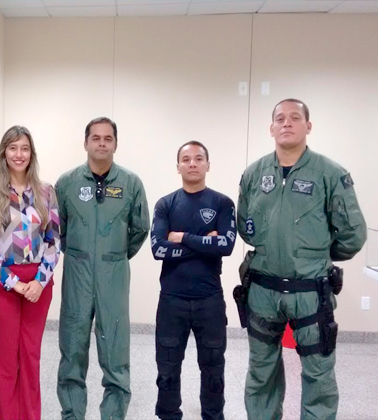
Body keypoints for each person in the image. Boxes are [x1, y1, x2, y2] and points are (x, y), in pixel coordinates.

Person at [236, 99, 367, 420]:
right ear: (271, 128)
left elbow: (353, 235)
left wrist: (313, 254)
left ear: (308, 126)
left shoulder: (330, 174)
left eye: (295, 117)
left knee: (318, 373)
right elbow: (245, 226)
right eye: (280, 118)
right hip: (263, 290)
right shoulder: (254, 174)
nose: (287, 123)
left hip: (310, 292)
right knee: (261, 372)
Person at [55, 117, 150, 420]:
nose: (101, 144)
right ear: (86, 143)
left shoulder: (131, 183)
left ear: (116, 144)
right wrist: (80, 255)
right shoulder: (66, 184)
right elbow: (59, 229)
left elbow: (140, 228)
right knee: (72, 352)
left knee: (116, 355)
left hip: (113, 278)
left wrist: (114, 256)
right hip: (77, 277)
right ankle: (72, 414)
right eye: (95, 138)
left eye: (108, 138)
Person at [0, 125, 61, 420]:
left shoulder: (46, 192)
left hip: (39, 283)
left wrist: (39, 281)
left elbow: (54, 240)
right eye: (13, 148)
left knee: (30, 357)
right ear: (4, 153)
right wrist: (13, 283)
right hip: (3, 284)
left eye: (24, 148)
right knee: (6, 361)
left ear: (31, 154)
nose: (19, 154)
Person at [150, 141, 236, 420]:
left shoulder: (222, 203)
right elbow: (158, 249)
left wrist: (183, 238)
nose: (192, 164)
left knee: (213, 371)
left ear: (208, 165)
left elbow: (226, 245)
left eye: (199, 158)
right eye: (186, 159)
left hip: (209, 301)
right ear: (178, 167)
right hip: (172, 301)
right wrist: (204, 244)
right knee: (167, 371)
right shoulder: (166, 204)